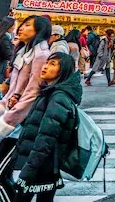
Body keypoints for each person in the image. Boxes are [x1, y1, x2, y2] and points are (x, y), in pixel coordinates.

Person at [0, 15, 52, 202]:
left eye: (28, 25)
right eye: (22, 25)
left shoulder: (40, 55)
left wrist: (9, 119)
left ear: (40, 30)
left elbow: (33, 92)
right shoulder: (23, 52)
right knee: (3, 177)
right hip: (15, 118)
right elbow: (16, 89)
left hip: (22, 124)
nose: (21, 28)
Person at [12, 53, 81, 202]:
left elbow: (46, 138)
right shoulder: (49, 93)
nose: (45, 66)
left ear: (63, 70)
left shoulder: (58, 97)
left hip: (41, 164)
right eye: (47, 62)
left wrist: (29, 169)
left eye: (53, 64)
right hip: (47, 165)